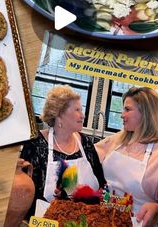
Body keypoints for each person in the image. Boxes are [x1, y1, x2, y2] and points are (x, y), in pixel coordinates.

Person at [94, 86, 158, 227]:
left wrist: (157, 209)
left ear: (146, 113)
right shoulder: (117, 140)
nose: (122, 114)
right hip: (102, 219)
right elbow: (88, 157)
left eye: (127, 109)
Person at [20, 84, 106, 219]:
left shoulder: (86, 144)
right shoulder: (35, 144)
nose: (82, 115)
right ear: (59, 115)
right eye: (77, 110)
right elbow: (24, 193)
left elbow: (101, 184)